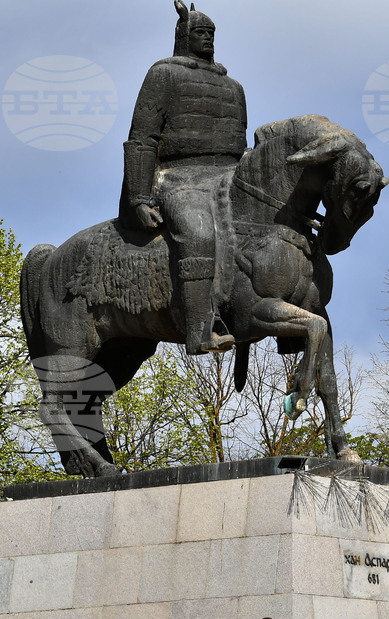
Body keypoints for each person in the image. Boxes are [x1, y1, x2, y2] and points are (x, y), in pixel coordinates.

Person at [119, 0, 247, 354]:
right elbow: (143, 139)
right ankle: (200, 330)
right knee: (199, 232)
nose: (208, 38)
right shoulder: (164, 74)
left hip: (229, 178)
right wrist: (139, 198)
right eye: (200, 32)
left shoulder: (233, 87)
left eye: (211, 33)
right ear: (184, 36)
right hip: (179, 178)